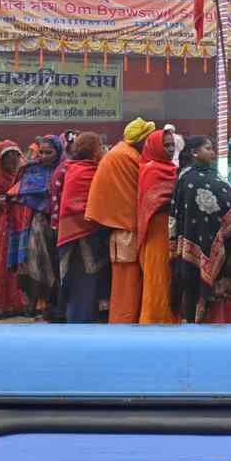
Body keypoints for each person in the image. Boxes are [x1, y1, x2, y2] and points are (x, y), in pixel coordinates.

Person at [85, 117, 155, 323]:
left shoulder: (121, 152)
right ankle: (125, 324)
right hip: (127, 230)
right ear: (141, 140)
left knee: (126, 285)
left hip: (122, 228)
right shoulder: (128, 156)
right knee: (128, 287)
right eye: (149, 138)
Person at [170, 136, 231, 324]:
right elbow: (183, 213)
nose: (212, 152)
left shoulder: (212, 175)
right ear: (195, 152)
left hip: (221, 242)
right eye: (208, 148)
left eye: (212, 148)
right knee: (198, 282)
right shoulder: (187, 179)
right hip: (197, 239)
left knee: (221, 286)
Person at [7, 134, 64, 321]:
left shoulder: (64, 169)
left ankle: (52, 305)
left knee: (57, 263)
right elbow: (18, 193)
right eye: (42, 152)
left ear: (58, 151)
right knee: (36, 261)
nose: (45, 156)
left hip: (60, 222)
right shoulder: (31, 169)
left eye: (49, 152)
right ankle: (34, 304)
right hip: (36, 223)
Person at [57, 133, 111, 323]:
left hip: (92, 234)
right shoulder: (81, 171)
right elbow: (76, 204)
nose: (103, 150)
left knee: (92, 281)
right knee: (82, 283)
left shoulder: (84, 169)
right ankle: (79, 327)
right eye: (100, 146)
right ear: (94, 150)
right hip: (79, 236)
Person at [137, 128, 178, 325]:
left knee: (169, 275)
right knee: (157, 275)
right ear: (155, 147)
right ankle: (154, 319)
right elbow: (152, 201)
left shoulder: (171, 168)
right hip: (156, 228)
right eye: (166, 145)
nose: (170, 149)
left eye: (172, 145)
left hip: (169, 229)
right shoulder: (150, 169)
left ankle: (170, 318)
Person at [0, 141, 25, 317]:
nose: (12, 161)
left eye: (15, 156)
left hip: (19, 220)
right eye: (7, 157)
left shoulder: (23, 173)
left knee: (16, 260)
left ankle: (15, 301)